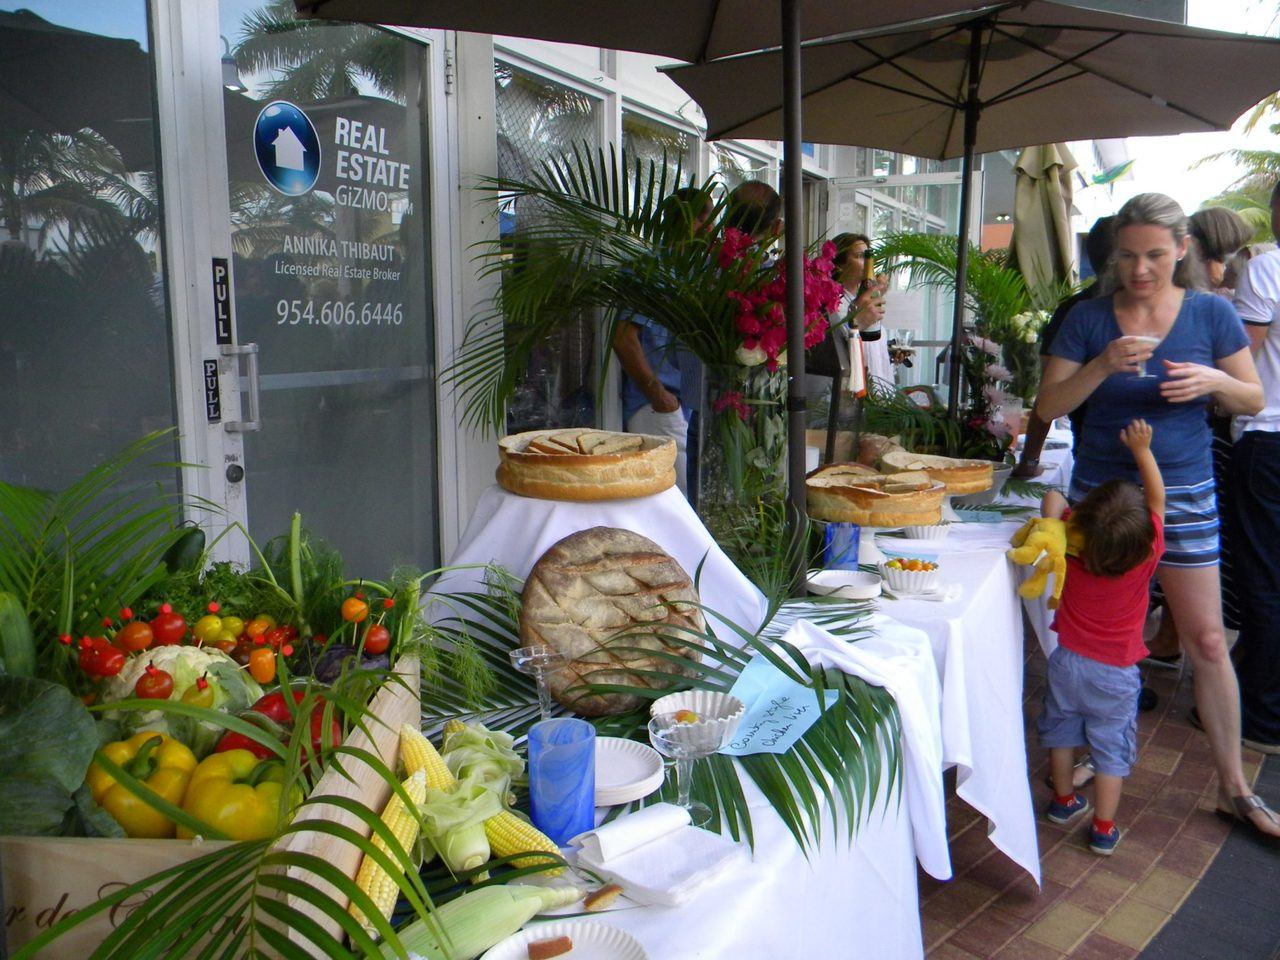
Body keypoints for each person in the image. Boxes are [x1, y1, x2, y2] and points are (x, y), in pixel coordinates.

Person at [1037, 192, 1279, 841]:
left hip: (1188, 490)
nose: (1140, 269)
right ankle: (1093, 750)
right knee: (1097, 638)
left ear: (1181, 250)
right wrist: (1100, 365)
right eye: (1128, 256)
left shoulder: (1209, 314)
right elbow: (1048, 405)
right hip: (1102, 500)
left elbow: (1252, 394)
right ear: (1115, 255)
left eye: (1153, 255)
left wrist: (1211, 383)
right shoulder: (1089, 319)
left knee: (1204, 639)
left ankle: (1234, 789)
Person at [1037, 419, 1165, 855]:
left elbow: (1051, 497)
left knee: (1061, 730)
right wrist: (1143, 451)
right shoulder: (1145, 554)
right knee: (1111, 748)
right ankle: (1103, 828)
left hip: (1067, 661)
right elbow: (1159, 502)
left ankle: (1062, 801)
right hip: (1116, 674)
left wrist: (1057, 522)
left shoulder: (1073, 547)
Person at [1226, 179, 1280, 762]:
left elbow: (1239, 354)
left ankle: (1264, 717)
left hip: (1268, 439)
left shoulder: (1267, 269)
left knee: (1263, 580)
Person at [613, 186, 713, 496]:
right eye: (707, 220)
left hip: (690, 407)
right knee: (675, 503)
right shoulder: (651, 270)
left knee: (692, 503)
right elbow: (623, 338)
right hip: (660, 406)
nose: (712, 230)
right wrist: (658, 395)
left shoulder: (698, 271)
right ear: (687, 221)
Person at [1013, 215, 1114, 478]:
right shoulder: (1076, 312)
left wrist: (1030, 459)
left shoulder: (1070, 310)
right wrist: (1030, 459)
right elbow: (1047, 397)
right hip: (1094, 452)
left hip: (1094, 453)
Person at [830, 233, 890, 390]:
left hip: (879, 393)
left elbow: (875, 353)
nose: (867, 261)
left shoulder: (867, 300)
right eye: (859, 256)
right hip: (847, 392)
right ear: (840, 264)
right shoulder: (832, 303)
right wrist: (856, 323)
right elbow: (834, 349)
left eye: (868, 256)